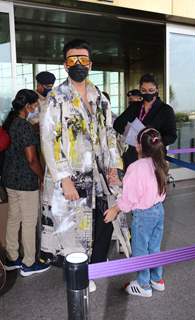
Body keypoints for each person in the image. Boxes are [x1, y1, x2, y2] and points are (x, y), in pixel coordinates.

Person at [40, 39, 122, 291]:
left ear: (90, 64)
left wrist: (113, 167)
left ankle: (93, 269)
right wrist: (64, 178)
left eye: (83, 60)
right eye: (73, 60)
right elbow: (48, 138)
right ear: (65, 65)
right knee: (73, 228)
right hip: (71, 175)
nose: (78, 65)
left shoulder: (100, 98)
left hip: (98, 174)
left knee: (104, 221)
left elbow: (108, 134)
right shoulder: (56, 98)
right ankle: (78, 277)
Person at [104, 127, 168, 297]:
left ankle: (143, 285)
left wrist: (115, 209)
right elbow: (146, 185)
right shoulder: (160, 162)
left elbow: (129, 199)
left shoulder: (136, 167)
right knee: (154, 247)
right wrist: (123, 180)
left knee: (140, 250)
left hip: (144, 215)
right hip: (158, 211)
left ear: (138, 146)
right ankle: (157, 279)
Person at [2, 89, 50, 276]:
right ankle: (29, 263)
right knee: (29, 222)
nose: (37, 107)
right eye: (35, 104)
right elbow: (31, 159)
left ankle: (12, 258)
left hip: (9, 179)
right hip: (25, 181)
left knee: (14, 218)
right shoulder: (24, 126)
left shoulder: (10, 122)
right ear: (28, 106)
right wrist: (41, 176)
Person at [114, 73, 177, 171]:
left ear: (156, 89)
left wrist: (152, 142)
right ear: (140, 90)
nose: (147, 93)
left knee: (151, 185)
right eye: (144, 90)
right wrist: (129, 132)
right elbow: (117, 124)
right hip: (133, 156)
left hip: (154, 157)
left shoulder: (166, 110)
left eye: (151, 90)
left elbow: (172, 136)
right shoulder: (135, 106)